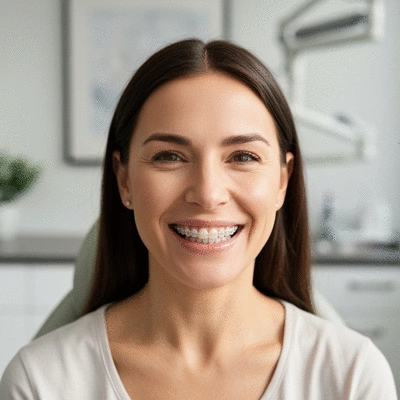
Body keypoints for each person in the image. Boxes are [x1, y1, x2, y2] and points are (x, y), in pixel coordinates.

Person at [0, 39, 397, 399]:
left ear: (282, 181)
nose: (207, 194)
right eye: (169, 156)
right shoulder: (41, 382)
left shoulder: (352, 378)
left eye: (243, 157)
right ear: (124, 181)